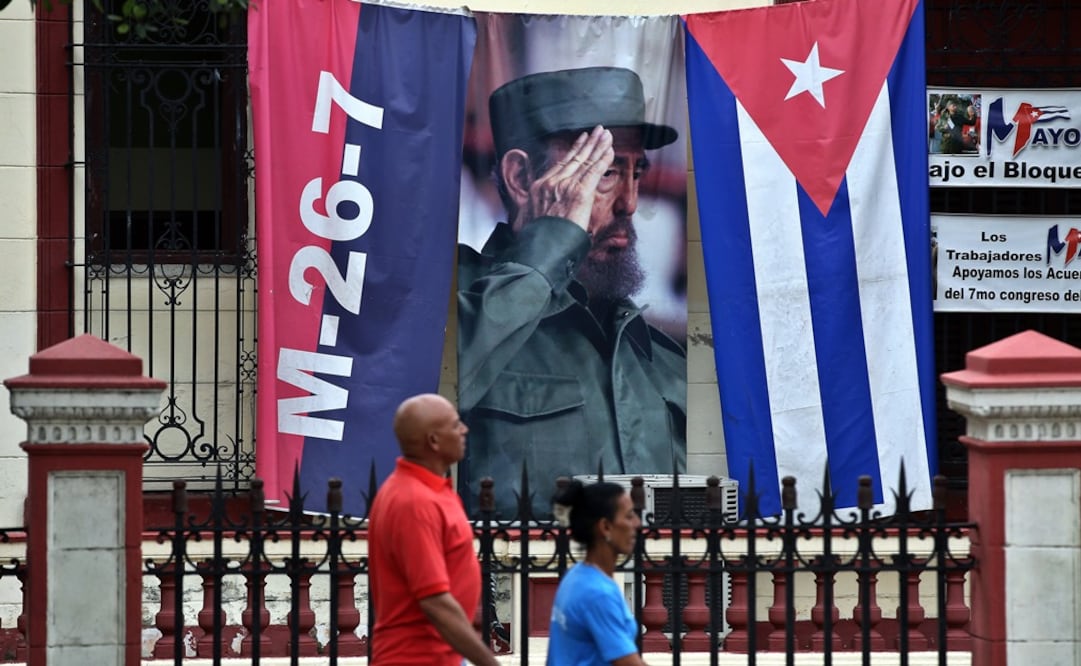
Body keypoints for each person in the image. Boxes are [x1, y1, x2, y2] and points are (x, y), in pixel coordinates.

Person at [457, 66, 687, 519]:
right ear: (521, 178)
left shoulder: (658, 355)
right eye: (603, 173)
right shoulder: (456, 300)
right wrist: (555, 238)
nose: (630, 202)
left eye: (635, 172)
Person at [368, 394, 499, 666]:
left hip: (442, 654)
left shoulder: (431, 490)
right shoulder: (414, 501)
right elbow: (434, 600)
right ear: (434, 441)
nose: (464, 429)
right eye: (454, 425)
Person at [547, 480, 646, 666]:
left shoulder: (576, 576)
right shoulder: (598, 593)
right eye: (629, 516)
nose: (638, 523)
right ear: (606, 527)